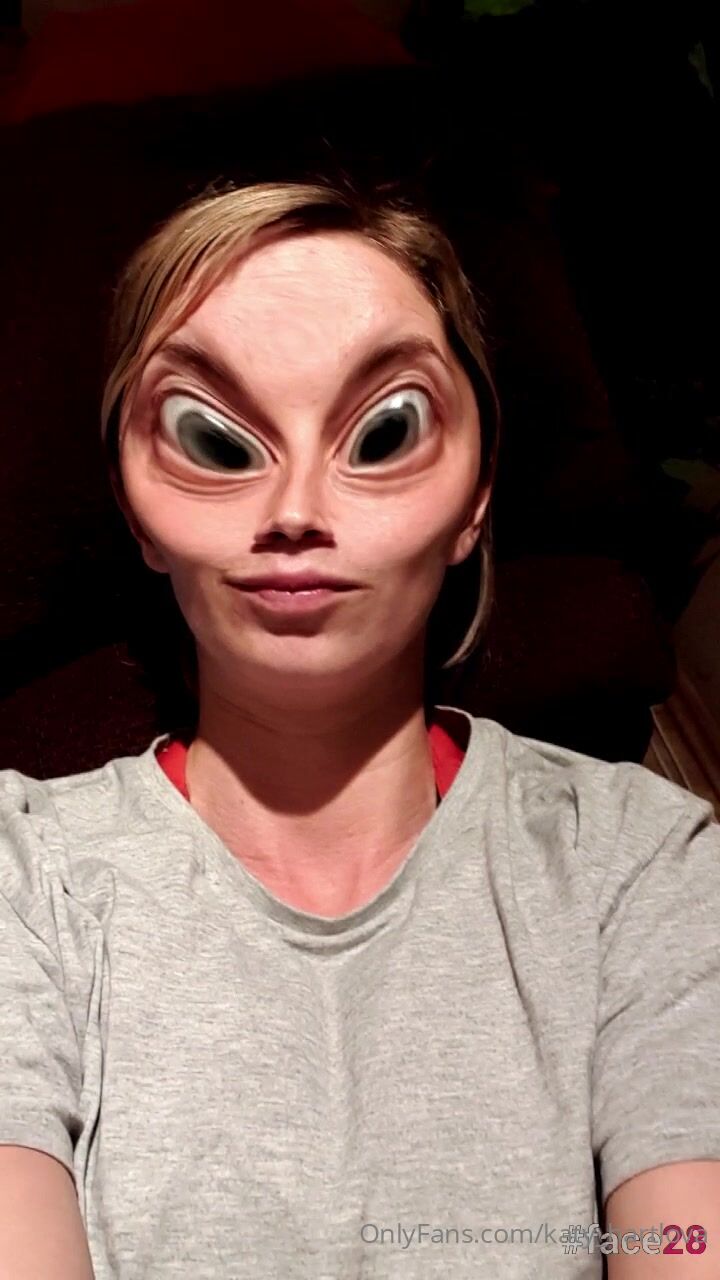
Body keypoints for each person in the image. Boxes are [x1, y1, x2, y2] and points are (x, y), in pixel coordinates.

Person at [0, 178, 719, 1279]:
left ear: (476, 496)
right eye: (213, 439)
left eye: (385, 432)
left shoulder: (642, 867)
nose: (296, 509)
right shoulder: (24, 879)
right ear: (132, 504)